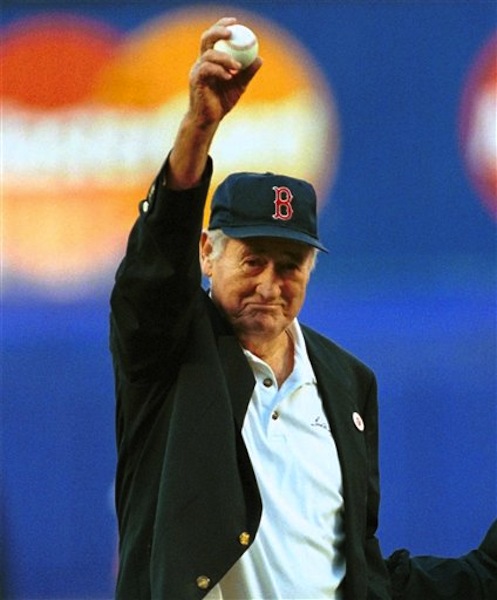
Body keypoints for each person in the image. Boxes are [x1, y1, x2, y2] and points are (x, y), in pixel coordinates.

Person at [110, 17, 497, 599]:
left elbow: (353, 571)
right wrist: (199, 126)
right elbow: (153, 271)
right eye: (253, 258)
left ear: (313, 267)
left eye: (290, 264)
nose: (271, 282)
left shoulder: (347, 383)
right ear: (207, 254)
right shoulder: (168, 354)